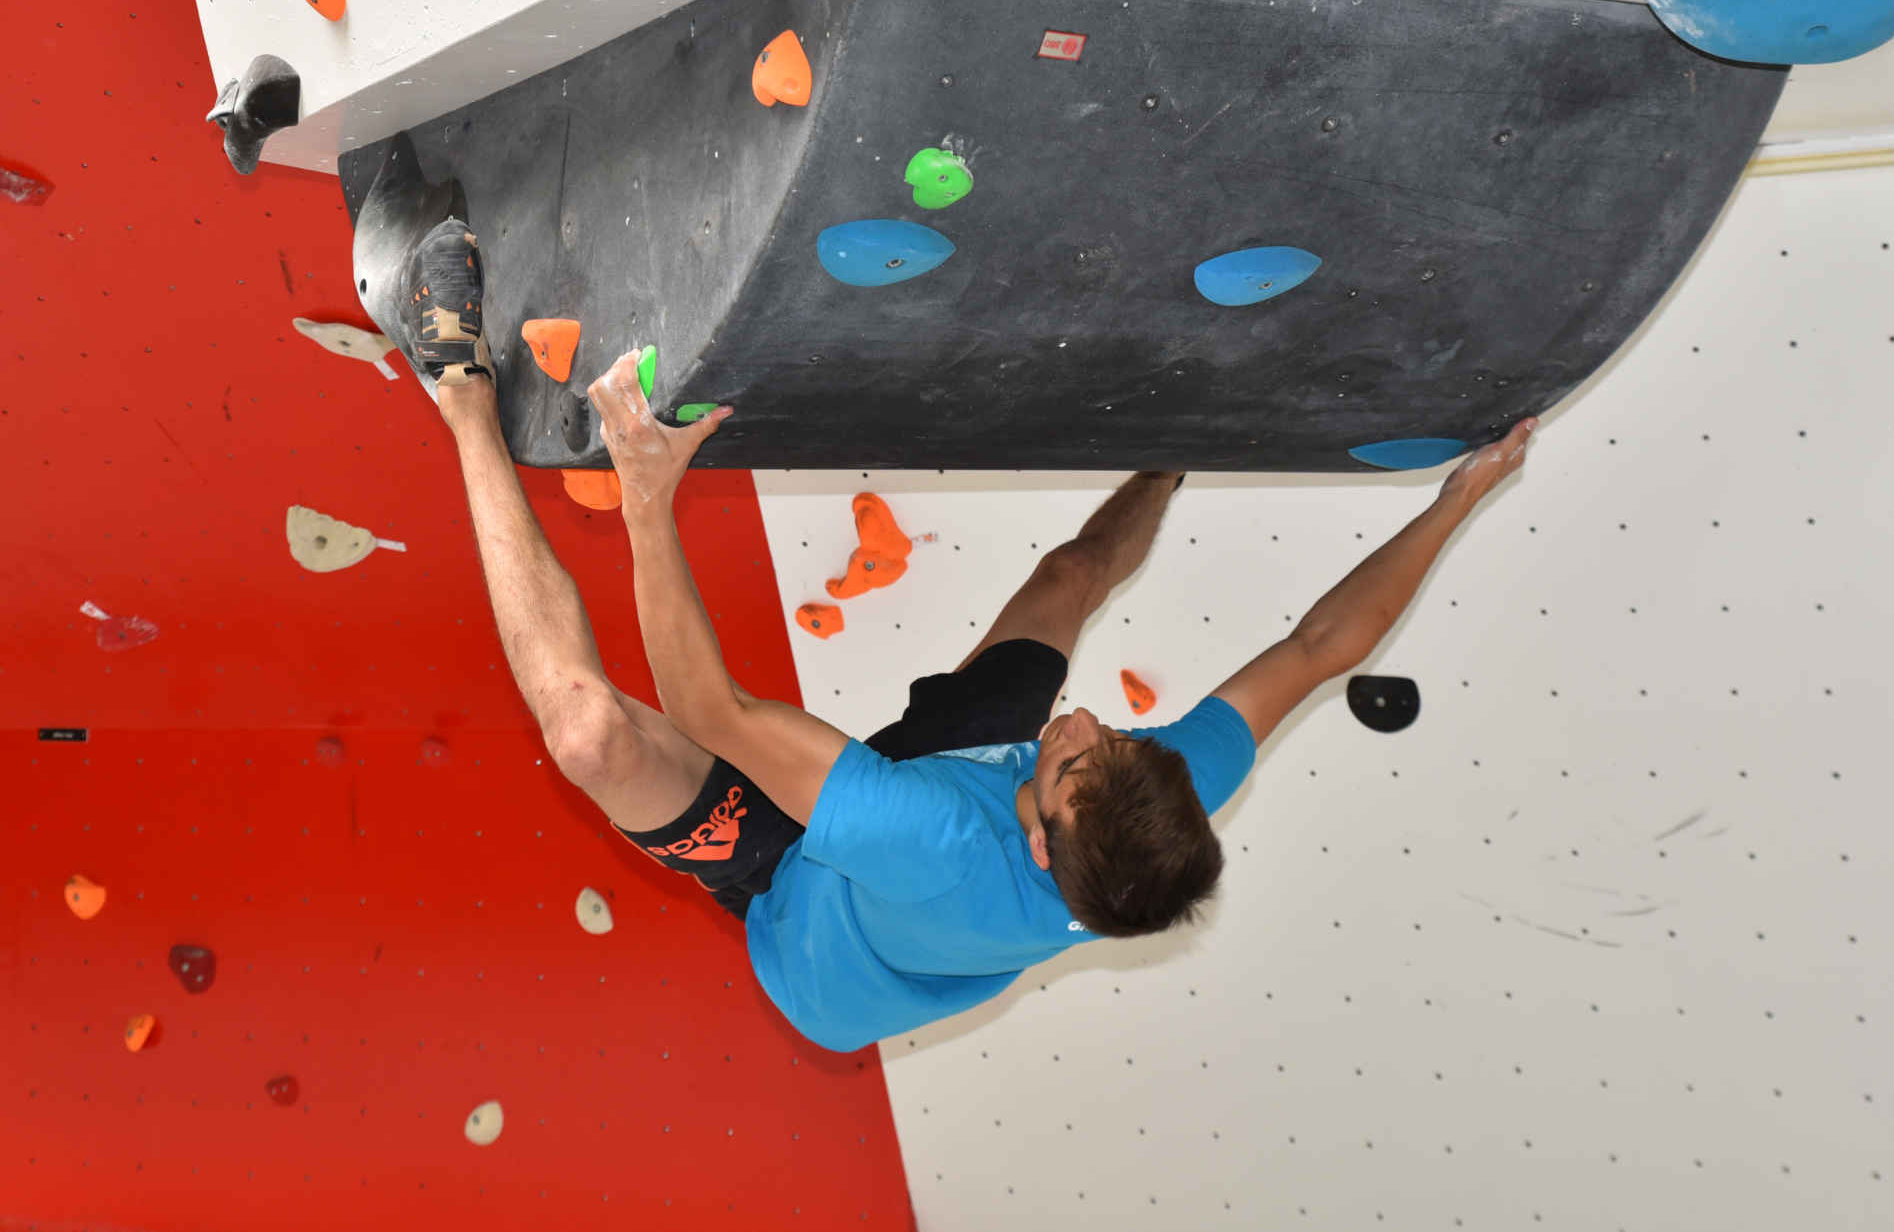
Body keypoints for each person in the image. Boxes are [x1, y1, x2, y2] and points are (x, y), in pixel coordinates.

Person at [420, 217, 1537, 1052]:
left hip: (799, 898)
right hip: (958, 796)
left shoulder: (939, 848)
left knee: (589, 737)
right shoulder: (1143, 814)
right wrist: (1458, 501)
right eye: (1121, 739)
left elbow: (718, 714)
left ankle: (456, 383)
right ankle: (1170, 450)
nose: (1085, 719)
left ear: (1044, 843)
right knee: (1075, 574)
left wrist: (652, 505)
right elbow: (1320, 647)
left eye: (1073, 754)